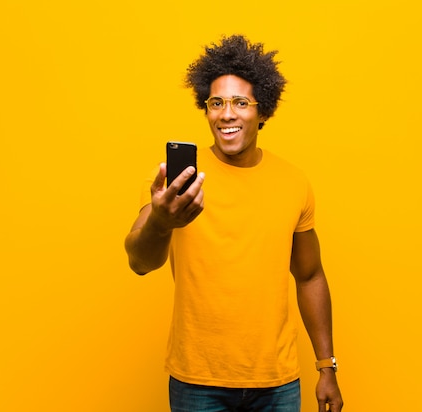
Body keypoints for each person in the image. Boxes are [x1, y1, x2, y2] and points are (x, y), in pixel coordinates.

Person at [125, 34, 343, 412]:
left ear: (263, 111)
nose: (227, 114)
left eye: (241, 102)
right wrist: (162, 220)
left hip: (278, 383)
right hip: (197, 382)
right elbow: (139, 261)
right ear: (205, 109)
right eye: (216, 103)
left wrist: (327, 366)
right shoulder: (174, 183)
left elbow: (310, 276)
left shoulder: (294, 182)